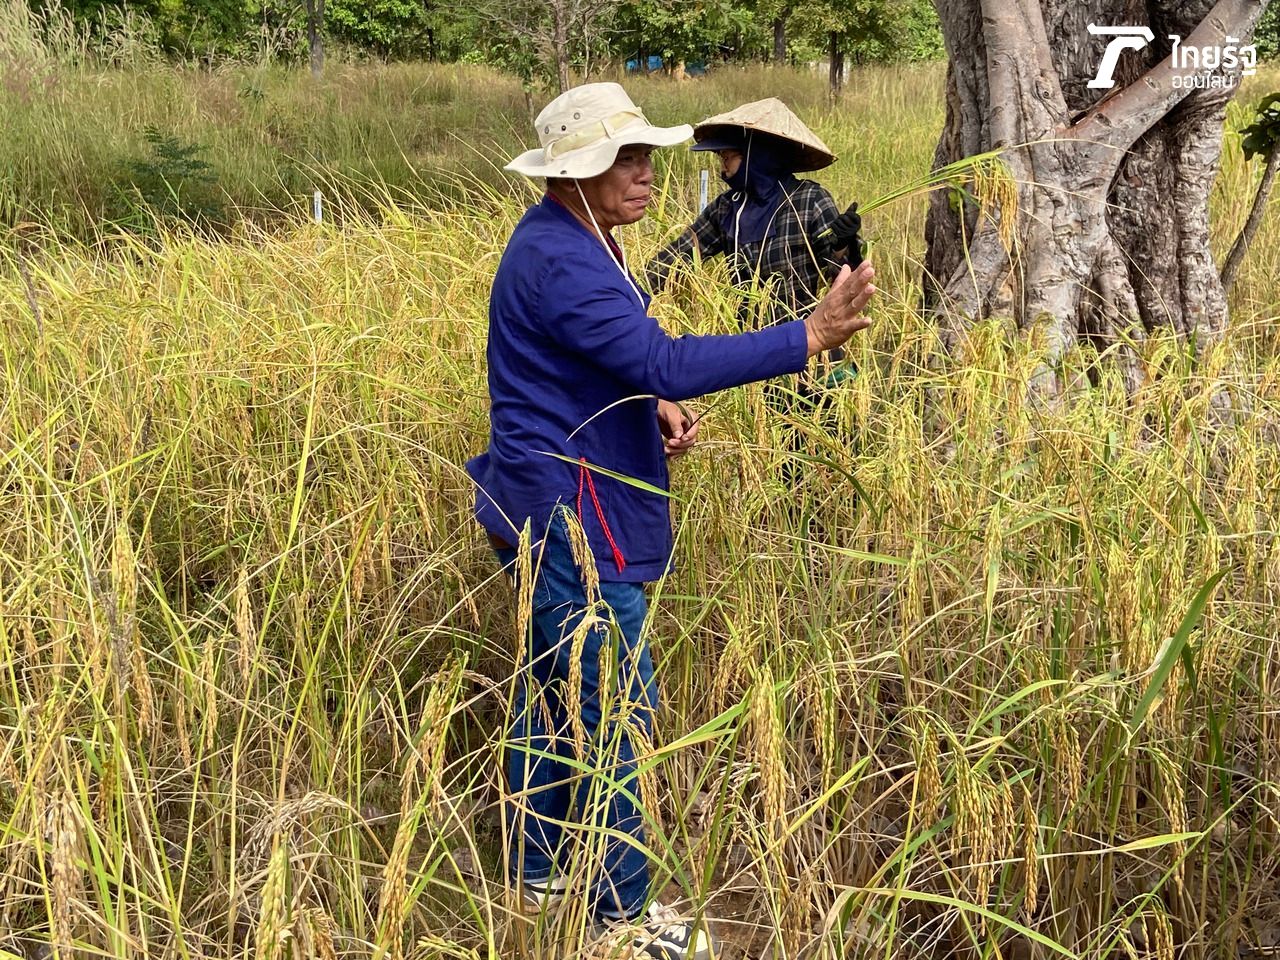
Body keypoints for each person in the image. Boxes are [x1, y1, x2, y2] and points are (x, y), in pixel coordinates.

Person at [465, 82, 875, 960]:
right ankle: (624, 917)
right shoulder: (565, 258)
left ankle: (540, 873)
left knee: (555, 690)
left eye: (650, 154)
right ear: (575, 171)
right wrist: (804, 339)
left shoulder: (582, 239)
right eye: (627, 157)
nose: (649, 173)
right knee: (615, 707)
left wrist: (641, 402)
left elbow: (602, 364)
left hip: (545, 498)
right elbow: (663, 356)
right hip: (571, 513)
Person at [645, 100, 865, 485]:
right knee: (770, 467)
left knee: (824, 463)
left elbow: (841, 280)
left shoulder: (810, 200)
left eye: (728, 157)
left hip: (814, 354)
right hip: (754, 355)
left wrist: (848, 246)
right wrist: (628, 291)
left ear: (757, 156)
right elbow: (675, 258)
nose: (721, 167)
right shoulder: (729, 209)